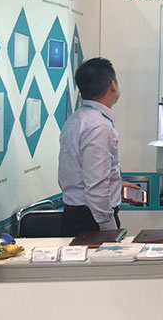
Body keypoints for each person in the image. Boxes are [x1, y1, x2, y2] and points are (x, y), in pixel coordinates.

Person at [58, 57, 138, 235]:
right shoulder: (99, 127)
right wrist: (109, 229)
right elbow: (96, 187)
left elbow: (80, 172)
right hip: (91, 221)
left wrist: (115, 185)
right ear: (113, 85)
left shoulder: (76, 119)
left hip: (76, 215)